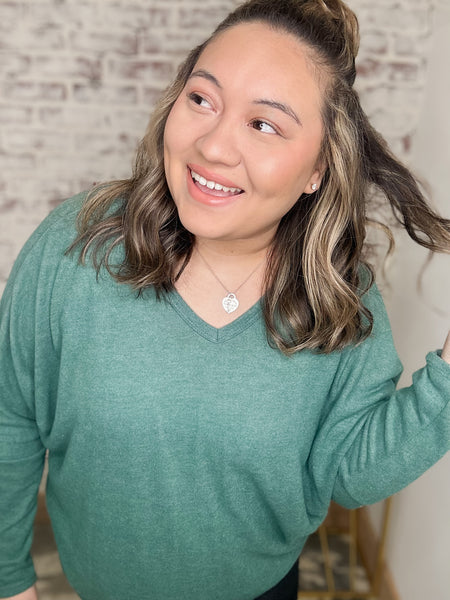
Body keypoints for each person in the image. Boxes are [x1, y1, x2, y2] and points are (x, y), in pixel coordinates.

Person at [1, 0, 449, 599]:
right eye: (202, 99)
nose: (212, 146)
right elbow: (10, 413)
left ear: (318, 168)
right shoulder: (76, 246)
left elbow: (348, 472)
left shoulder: (340, 299)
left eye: (263, 125)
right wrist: (8, 578)